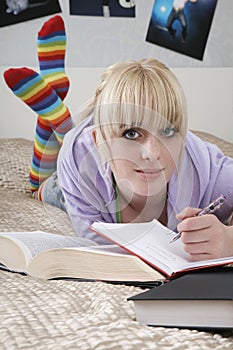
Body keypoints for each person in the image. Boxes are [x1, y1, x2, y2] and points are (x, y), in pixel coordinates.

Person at [3, 15, 233, 262]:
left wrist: (230, 239)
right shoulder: (81, 161)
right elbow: (104, 253)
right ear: (99, 140)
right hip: (77, 170)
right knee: (45, 189)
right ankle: (59, 124)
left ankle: (59, 120)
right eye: (131, 134)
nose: (152, 153)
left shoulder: (209, 170)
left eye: (168, 131)